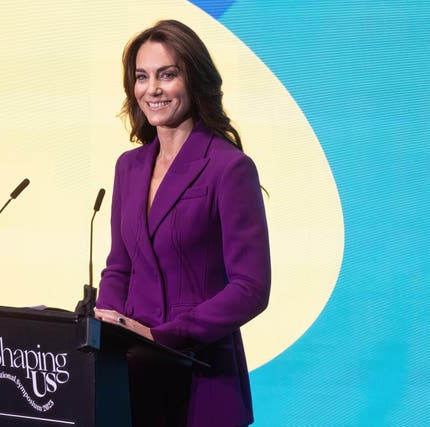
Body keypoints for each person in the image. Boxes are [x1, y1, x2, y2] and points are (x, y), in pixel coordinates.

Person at [94, 19, 271, 427]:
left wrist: (164, 337)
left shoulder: (230, 168)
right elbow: (120, 266)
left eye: (167, 74)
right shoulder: (129, 167)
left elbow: (250, 288)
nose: (151, 89)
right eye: (142, 77)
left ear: (194, 79)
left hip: (201, 376)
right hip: (130, 378)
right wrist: (109, 327)